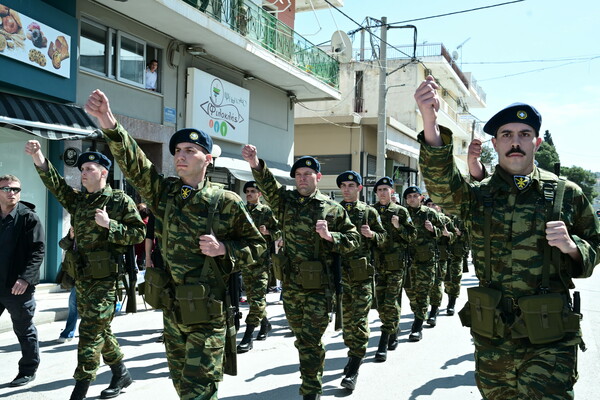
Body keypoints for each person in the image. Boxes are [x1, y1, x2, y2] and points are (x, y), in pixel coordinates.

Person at [415, 75, 600, 399]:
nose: (516, 141)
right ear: (496, 144)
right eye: (507, 135)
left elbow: (595, 246)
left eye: (524, 134)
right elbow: (443, 189)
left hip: (550, 339)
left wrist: (573, 248)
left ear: (536, 143)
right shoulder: (479, 196)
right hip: (494, 337)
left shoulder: (565, 194)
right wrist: (430, 122)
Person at [84, 89, 266, 400]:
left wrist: (224, 249)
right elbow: (137, 166)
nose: (180, 155)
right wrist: (108, 121)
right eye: (178, 150)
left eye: (190, 150)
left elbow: (258, 247)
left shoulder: (226, 201)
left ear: (207, 159)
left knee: (198, 391)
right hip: (172, 307)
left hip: (208, 311)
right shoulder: (164, 194)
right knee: (184, 388)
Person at [25, 143, 146, 400]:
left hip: (106, 280)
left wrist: (110, 225)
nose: (84, 172)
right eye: (82, 168)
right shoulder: (79, 199)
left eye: (90, 168)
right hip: (81, 276)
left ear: (103, 172)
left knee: (90, 332)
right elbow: (55, 184)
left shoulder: (118, 201)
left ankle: (79, 391)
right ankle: (121, 372)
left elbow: (138, 233)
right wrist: (38, 157)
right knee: (101, 329)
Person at [241, 147, 359, 400]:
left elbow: (354, 240)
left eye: (308, 173)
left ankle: (310, 390)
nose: (302, 178)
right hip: (292, 285)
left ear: (318, 176)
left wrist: (331, 236)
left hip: (319, 286)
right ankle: (310, 381)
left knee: (310, 340)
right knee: (300, 337)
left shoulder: (333, 209)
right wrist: (255, 163)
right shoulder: (285, 202)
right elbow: (269, 186)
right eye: (298, 174)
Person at [335, 171, 386, 390]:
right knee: (346, 323)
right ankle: (352, 355)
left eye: (351, 185)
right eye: (343, 185)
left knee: (358, 320)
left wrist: (372, 235)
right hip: (339, 275)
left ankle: (355, 365)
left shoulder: (369, 212)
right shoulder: (333, 210)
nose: (346, 189)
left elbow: (384, 239)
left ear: (359, 189)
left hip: (361, 276)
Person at [0, 174, 45, 387]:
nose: (12, 193)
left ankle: (28, 370)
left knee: (24, 329)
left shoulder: (29, 217)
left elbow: (38, 251)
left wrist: (25, 279)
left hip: (17, 287)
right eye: (7, 189)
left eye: (16, 189)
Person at [371, 177, 415, 361]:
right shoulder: (370, 211)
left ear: (391, 192)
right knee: (381, 303)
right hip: (377, 265)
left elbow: (412, 236)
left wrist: (398, 227)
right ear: (376, 192)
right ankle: (394, 328)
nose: (382, 192)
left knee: (390, 301)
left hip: (396, 265)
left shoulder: (401, 211)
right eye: (380, 189)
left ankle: (384, 341)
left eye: (386, 189)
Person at [237, 181, 281, 353]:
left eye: (253, 191)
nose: (249, 194)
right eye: (247, 191)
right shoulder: (242, 210)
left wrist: (269, 232)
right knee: (254, 297)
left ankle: (248, 335)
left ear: (260, 194)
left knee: (256, 299)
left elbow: (280, 230)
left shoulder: (266, 211)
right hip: (246, 261)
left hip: (261, 262)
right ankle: (265, 324)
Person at [402, 186, 446, 342]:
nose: (412, 199)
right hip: (407, 261)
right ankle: (419, 314)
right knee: (410, 292)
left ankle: (417, 327)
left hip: (426, 261)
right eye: (409, 196)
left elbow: (445, 232)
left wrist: (434, 229)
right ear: (406, 199)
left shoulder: (430, 213)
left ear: (420, 197)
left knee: (422, 292)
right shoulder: (402, 214)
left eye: (415, 195)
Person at [423, 198, 455, 327]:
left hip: (441, 257)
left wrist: (448, 234)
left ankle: (434, 310)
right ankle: (423, 310)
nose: (431, 207)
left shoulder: (445, 220)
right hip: (423, 257)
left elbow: (455, 237)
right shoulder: (421, 218)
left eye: (434, 204)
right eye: (428, 205)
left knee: (437, 283)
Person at [57, 226, 79, 343]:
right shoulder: (76, 226)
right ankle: (69, 332)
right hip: (77, 275)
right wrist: (70, 237)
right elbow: (62, 245)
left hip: (93, 274)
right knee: (73, 303)